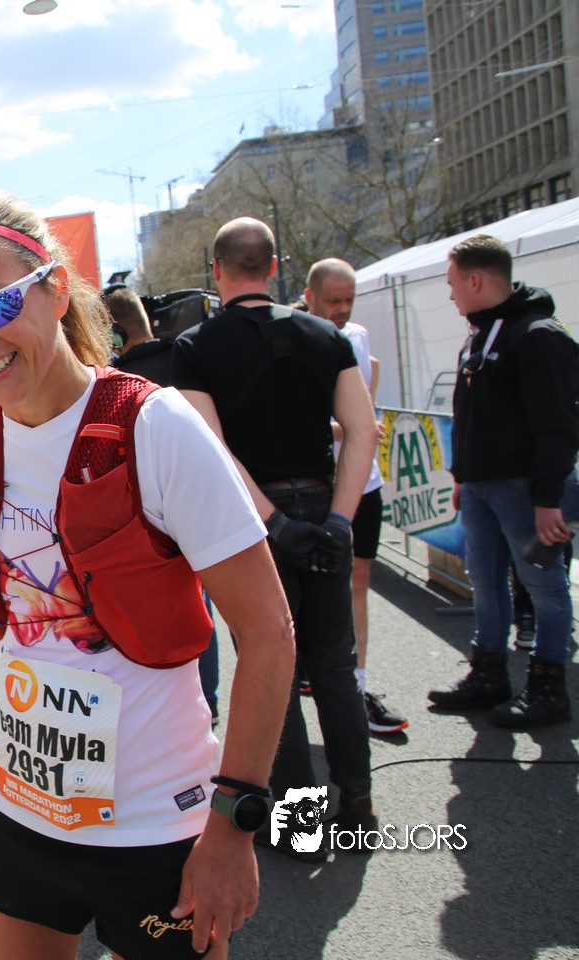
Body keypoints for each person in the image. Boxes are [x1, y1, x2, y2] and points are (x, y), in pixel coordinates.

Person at [0, 191, 294, 960]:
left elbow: (268, 633)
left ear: (52, 288)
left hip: (159, 830)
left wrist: (234, 822)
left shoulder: (155, 425)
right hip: (18, 818)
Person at [171, 217, 379, 861]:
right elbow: (363, 430)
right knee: (335, 665)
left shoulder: (195, 346)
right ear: (274, 266)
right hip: (322, 504)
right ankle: (359, 805)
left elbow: (213, 448)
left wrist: (272, 522)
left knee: (272, 665)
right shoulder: (327, 336)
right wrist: (340, 520)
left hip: (250, 521)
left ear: (216, 271)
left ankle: (300, 824)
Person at [427, 234, 577, 728]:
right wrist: (463, 476)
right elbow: (472, 414)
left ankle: (548, 687)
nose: (450, 294)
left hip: (524, 489)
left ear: (475, 280)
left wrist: (548, 499)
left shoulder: (536, 335)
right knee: (486, 582)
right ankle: (488, 674)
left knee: (544, 586)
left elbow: (558, 425)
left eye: (452, 283)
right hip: (481, 485)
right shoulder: (481, 334)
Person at [303, 259, 408, 734]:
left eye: (350, 300)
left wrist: (364, 420)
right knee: (313, 593)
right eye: (334, 301)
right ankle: (317, 680)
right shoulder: (295, 336)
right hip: (314, 485)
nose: (344, 309)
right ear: (310, 297)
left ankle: (358, 687)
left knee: (358, 581)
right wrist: (338, 428)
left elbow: (371, 375)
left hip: (365, 481)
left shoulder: (358, 337)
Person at [109, 293, 222, 726]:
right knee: (202, 605)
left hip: (138, 522)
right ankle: (206, 705)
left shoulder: (112, 382)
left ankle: (173, 711)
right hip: (206, 505)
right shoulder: (188, 358)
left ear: (113, 333)